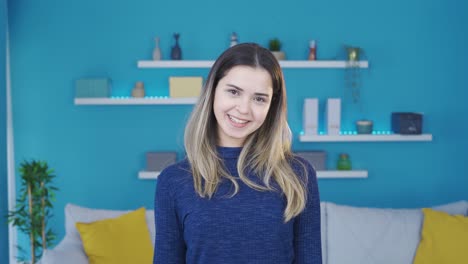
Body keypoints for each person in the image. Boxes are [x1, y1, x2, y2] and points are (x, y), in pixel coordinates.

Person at [153, 43, 322, 264]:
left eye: (259, 98)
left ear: (272, 105)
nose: (244, 108)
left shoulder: (298, 174)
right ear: (212, 91)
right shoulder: (173, 181)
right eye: (233, 92)